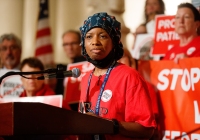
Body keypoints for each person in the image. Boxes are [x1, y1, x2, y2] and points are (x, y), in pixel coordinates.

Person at [79, 12, 156, 139]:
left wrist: (108, 125)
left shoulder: (129, 76)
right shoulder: (86, 78)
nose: (95, 42)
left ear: (114, 41)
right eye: (89, 37)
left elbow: (146, 129)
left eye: (103, 36)